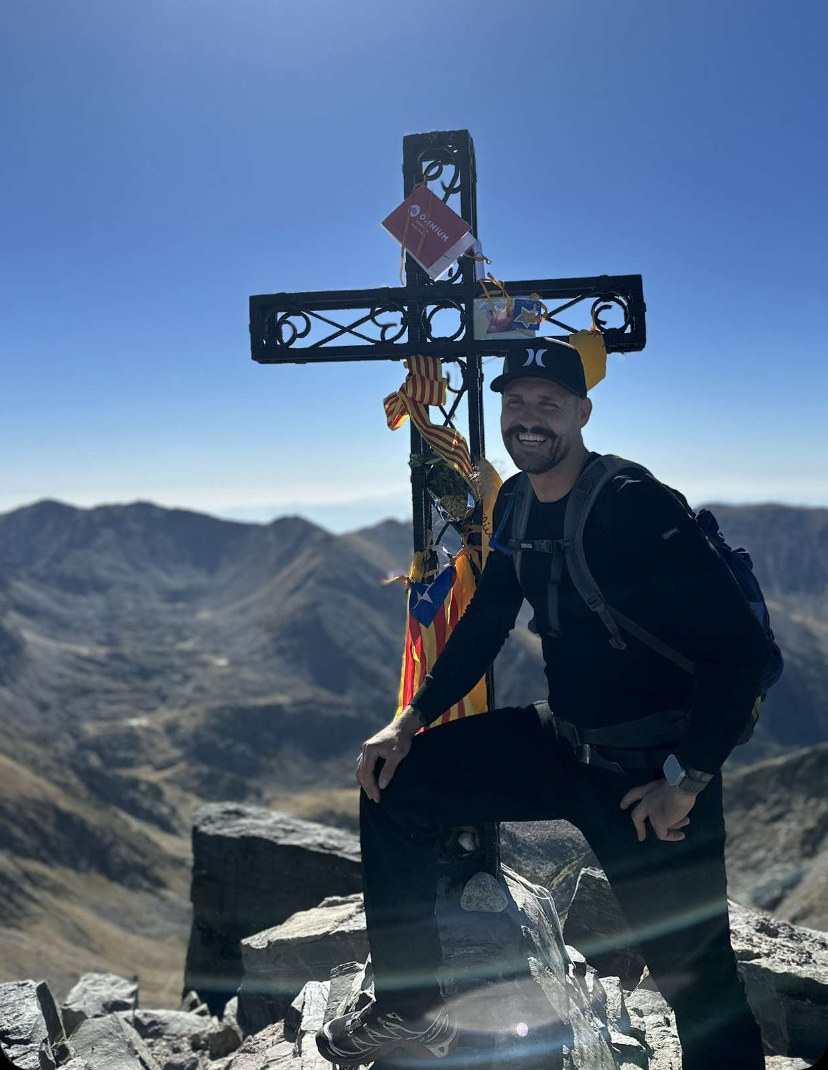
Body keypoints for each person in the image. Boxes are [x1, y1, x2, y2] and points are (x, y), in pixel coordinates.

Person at [316, 341, 768, 1069]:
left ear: (582, 412)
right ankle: (411, 1009)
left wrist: (687, 780)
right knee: (396, 783)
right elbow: (487, 621)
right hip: (564, 742)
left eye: (548, 403)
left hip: (651, 772)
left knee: (698, 980)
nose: (528, 418)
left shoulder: (632, 502)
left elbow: (737, 650)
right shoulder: (518, 503)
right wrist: (408, 721)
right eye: (516, 402)